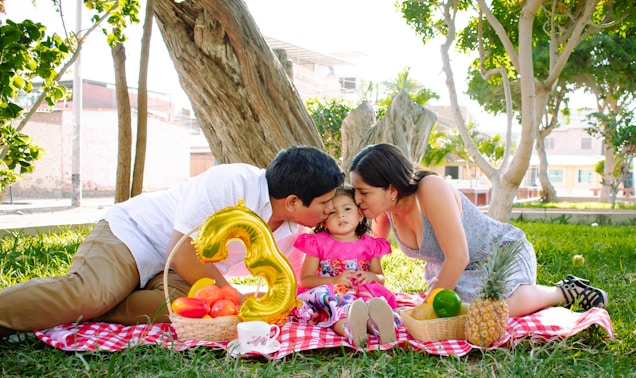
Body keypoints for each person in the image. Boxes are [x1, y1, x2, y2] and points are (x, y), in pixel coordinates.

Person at [0, 145, 345, 338]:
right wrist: (235, 295)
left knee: (191, 310)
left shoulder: (291, 232)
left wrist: (335, 287)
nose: (330, 209)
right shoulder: (232, 182)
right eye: (325, 202)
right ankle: (81, 303)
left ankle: (99, 306)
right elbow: (182, 254)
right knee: (88, 293)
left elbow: (293, 283)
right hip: (134, 236)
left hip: (172, 270)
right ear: (294, 201)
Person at [348, 143, 608, 318]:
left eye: (364, 192)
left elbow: (458, 256)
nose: (357, 199)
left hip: (496, 253)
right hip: (458, 272)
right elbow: (373, 267)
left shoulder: (430, 189)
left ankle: (563, 291)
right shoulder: (384, 212)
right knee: (460, 311)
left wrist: (427, 310)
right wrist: (367, 286)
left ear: (391, 189)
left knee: (492, 310)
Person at [292, 185, 400, 348]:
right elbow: (306, 280)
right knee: (336, 307)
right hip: (331, 293)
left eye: (347, 208)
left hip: (361, 292)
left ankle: (378, 327)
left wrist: (371, 276)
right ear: (324, 220)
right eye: (333, 212)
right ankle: (350, 328)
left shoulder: (370, 245)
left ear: (360, 215)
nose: (341, 214)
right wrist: (335, 280)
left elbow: (380, 278)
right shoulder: (317, 243)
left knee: (371, 304)